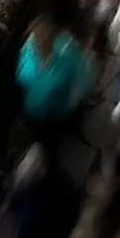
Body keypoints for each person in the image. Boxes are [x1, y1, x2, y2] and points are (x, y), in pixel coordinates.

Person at [15, 13, 95, 142]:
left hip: (62, 107)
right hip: (38, 111)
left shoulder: (68, 53)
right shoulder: (28, 51)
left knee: (67, 126)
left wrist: (75, 99)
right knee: (47, 139)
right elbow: (21, 77)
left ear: (53, 37)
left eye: (45, 36)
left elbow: (82, 76)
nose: (40, 41)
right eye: (37, 37)